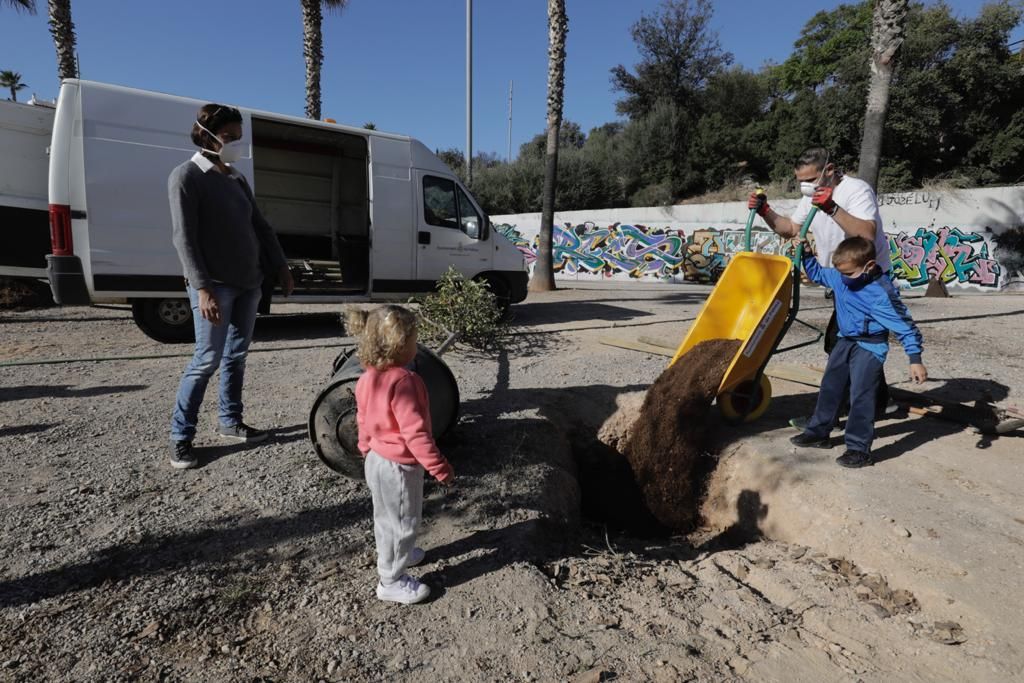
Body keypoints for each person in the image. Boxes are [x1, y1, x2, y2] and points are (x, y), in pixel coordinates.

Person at [167, 104, 294, 470]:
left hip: (248, 283)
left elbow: (260, 227)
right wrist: (202, 288)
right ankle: (181, 437)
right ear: (205, 135)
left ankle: (230, 422)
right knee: (206, 360)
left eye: (238, 138)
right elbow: (184, 239)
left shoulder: (236, 178)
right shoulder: (186, 177)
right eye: (229, 137)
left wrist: (281, 266)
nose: (235, 144)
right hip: (216, 286)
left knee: (236, 357)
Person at [748, 147, 897, 422]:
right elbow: (790, 228)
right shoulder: (813, 197)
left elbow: (866, 233)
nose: (805, 187)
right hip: (843, 281)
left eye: (810, 180)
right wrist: (765, 211)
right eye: (801, 181)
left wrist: (831, 207)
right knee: (856, 343)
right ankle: (879, 403)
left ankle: (834, 415)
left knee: (841, 344)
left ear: (829, 170)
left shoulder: (856, 190)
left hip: (868, 281)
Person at [347, 305, 455, 605]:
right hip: (398, 466)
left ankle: (401, 554)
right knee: (402, 521)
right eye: (414, 339)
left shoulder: (367, 377)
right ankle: (390, 581)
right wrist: (439, 467)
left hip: (377, 461)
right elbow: (416, 434)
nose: (417, 345)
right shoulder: (406, 382)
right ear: (400, 344)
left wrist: (366, 447)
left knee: (388, 516)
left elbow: (363, 418)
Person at [790, 236, 927, 468]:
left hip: (870, 346)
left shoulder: (881, 293)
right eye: (841, 273)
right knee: (830, 387)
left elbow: (906, 327)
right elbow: (818, 274)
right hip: (845, 340)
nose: (844, 279)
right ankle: (819, 432)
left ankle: (858, 449)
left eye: (850, 274)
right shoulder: (841, 276)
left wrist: (915, 359)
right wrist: (805, 254)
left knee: (861, 396)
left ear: (869, 266)